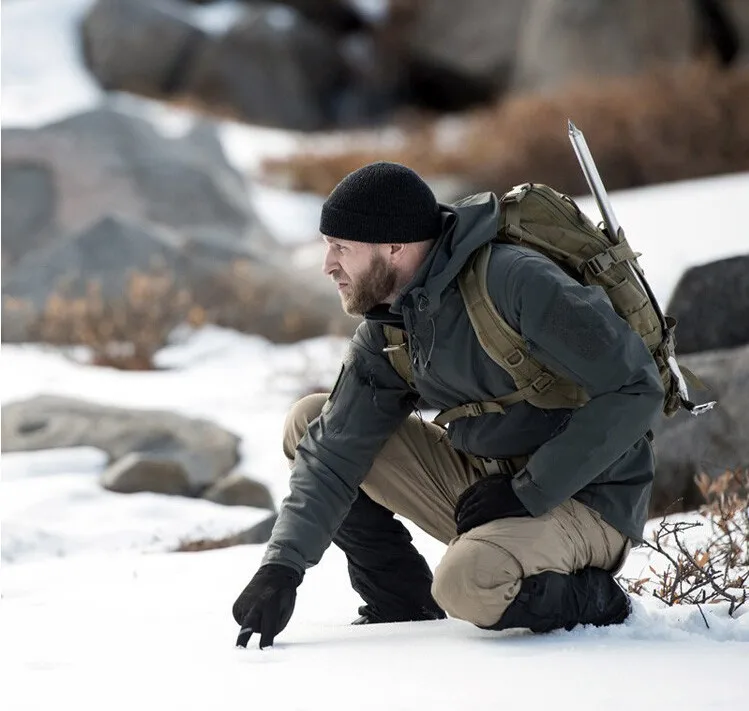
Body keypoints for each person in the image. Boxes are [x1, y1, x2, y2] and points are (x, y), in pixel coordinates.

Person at [232, 162, 664, 649]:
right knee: (310, 422)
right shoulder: (389, 325)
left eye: (341, 248)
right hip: (487, 492)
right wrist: (282, 568)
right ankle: (399, 600)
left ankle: (603, 600)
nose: (328, 265)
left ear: (394, 246)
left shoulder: (518, 282)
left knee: (468, 584)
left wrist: (530, 489)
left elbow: (635, 388)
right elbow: (334, 452)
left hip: (587, 499)